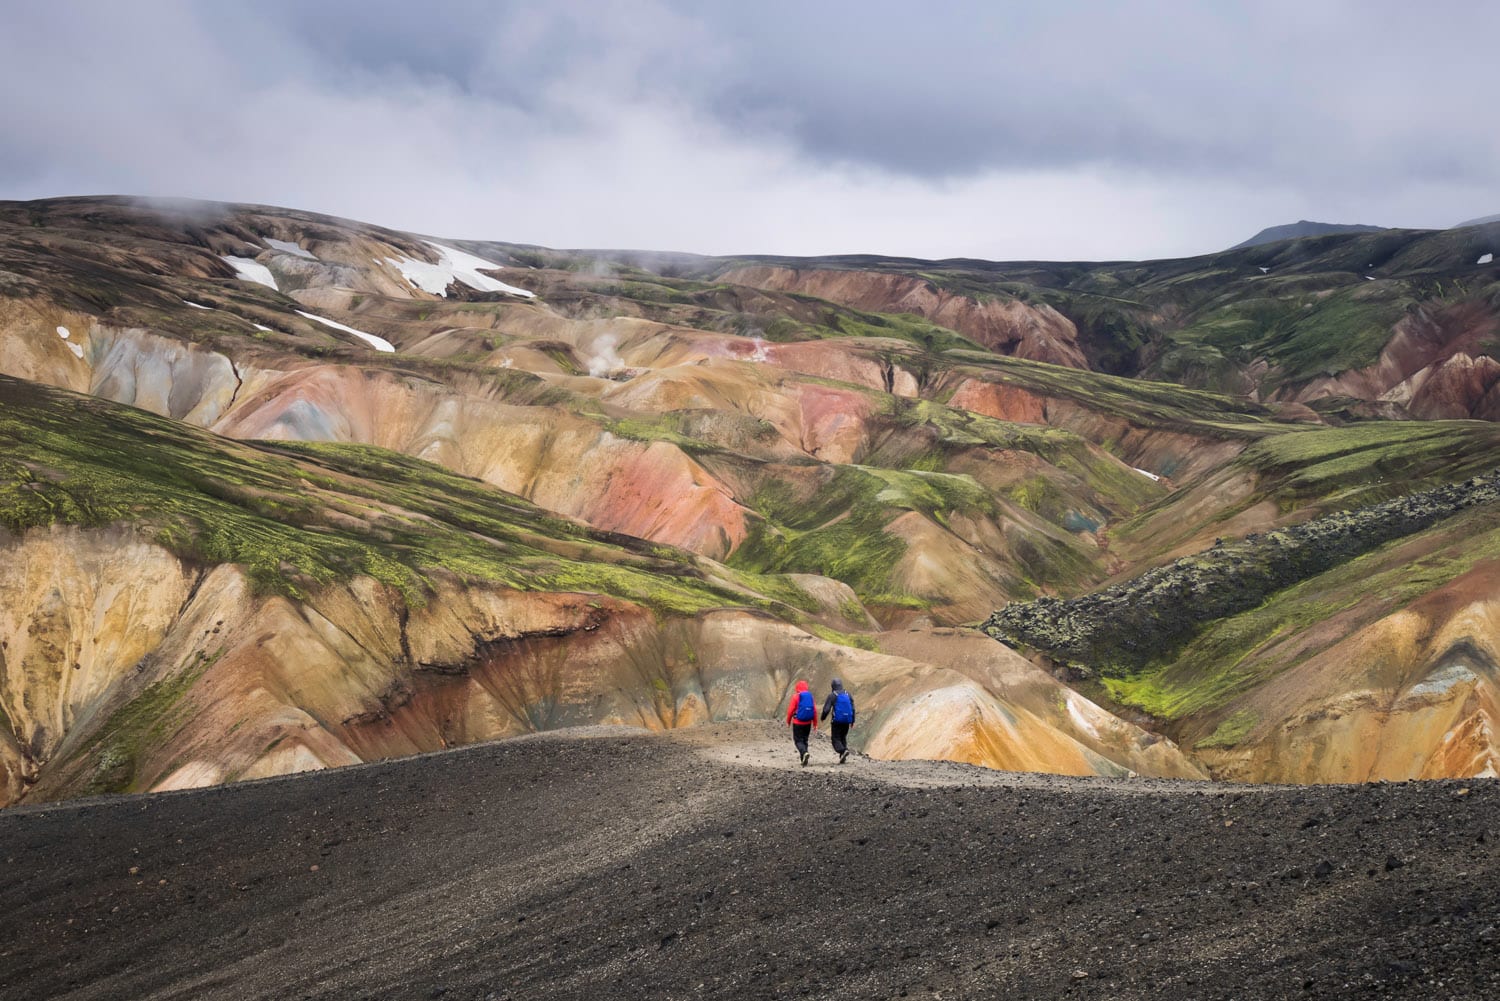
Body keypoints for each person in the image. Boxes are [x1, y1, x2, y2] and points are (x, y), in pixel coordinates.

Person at [820, 678, 856, 764]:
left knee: (835, 739)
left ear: (833, 686)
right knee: (843, 737)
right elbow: (853, 709)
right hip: (847, 721)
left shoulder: (833, 695)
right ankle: (843, 756)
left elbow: (826, 710)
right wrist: (852, 721)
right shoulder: (848, 694)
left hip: (837, 722)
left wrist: (823, 717)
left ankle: (843, 751)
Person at [785, 679, 817, 765]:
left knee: (798, 741)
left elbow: (790, 711)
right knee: (805, 740)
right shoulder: (810, 697)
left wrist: (788, 721)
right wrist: (815, 723)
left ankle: (804, 753)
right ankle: (803, 759)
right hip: (808, 723)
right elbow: (814, 710)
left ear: (797, 688)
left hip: (798, 723)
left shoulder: (796, 696)